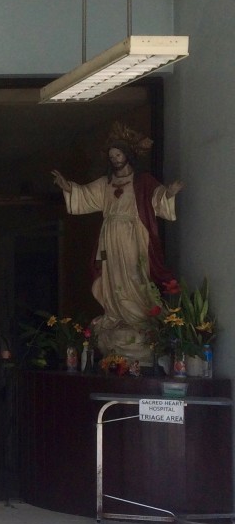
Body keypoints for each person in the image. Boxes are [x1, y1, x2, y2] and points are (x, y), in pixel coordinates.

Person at [52, 140, 184, 360]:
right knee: (112, 276)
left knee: (135, 273)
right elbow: (85, 196)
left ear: (128, 156)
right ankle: (116, 314)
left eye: (118, 156)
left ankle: (138, 316)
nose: (115, 160)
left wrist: (169, 193)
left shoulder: (142, 181)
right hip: (110, 236)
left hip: (133, 235)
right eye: (112, 157)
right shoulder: (106, 183)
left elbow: (157, 200)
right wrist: (68, 187)